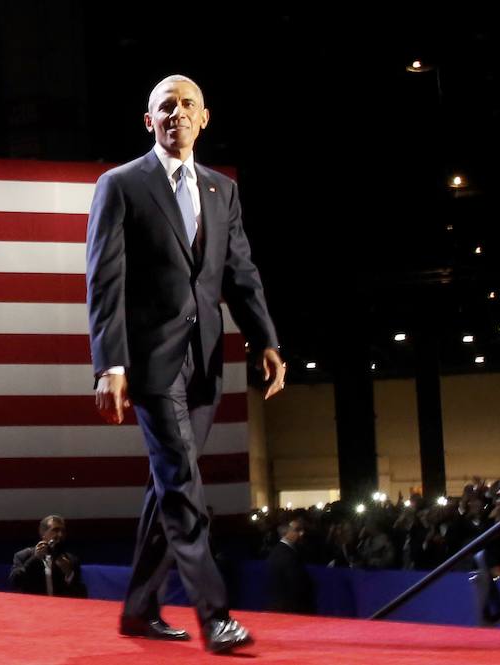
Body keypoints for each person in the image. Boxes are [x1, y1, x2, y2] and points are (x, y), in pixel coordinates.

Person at [86, 73, 284, 653]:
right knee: (181, 480)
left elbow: (239, 275)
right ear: (149, 122)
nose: (177, 114)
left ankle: (139, 608)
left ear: (205, 117)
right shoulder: (120, 184)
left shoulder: (223, 190)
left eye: (186, 105)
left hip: (205, 364)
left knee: (166, 486)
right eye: (165, 107)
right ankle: (214, 613)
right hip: (150, 364)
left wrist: (265, 339)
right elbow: (104, 282)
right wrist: (110, 365)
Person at [9, 515, 87, 598]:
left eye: (63, 531)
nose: (60, 535)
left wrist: (69, 574)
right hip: (33, 607)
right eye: (55, 530)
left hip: (61, 607)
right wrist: (35, 559)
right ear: (43, 533)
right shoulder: (24, 556)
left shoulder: (71, 560)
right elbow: (15, 582)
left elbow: (81, 594)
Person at [266, 519, 314, 613]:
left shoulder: (280, 550)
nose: (301, 533)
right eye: (296, 530)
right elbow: (295, 582)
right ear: (286, 532)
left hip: (283, 605)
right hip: (289, 607)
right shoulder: (286, 554)